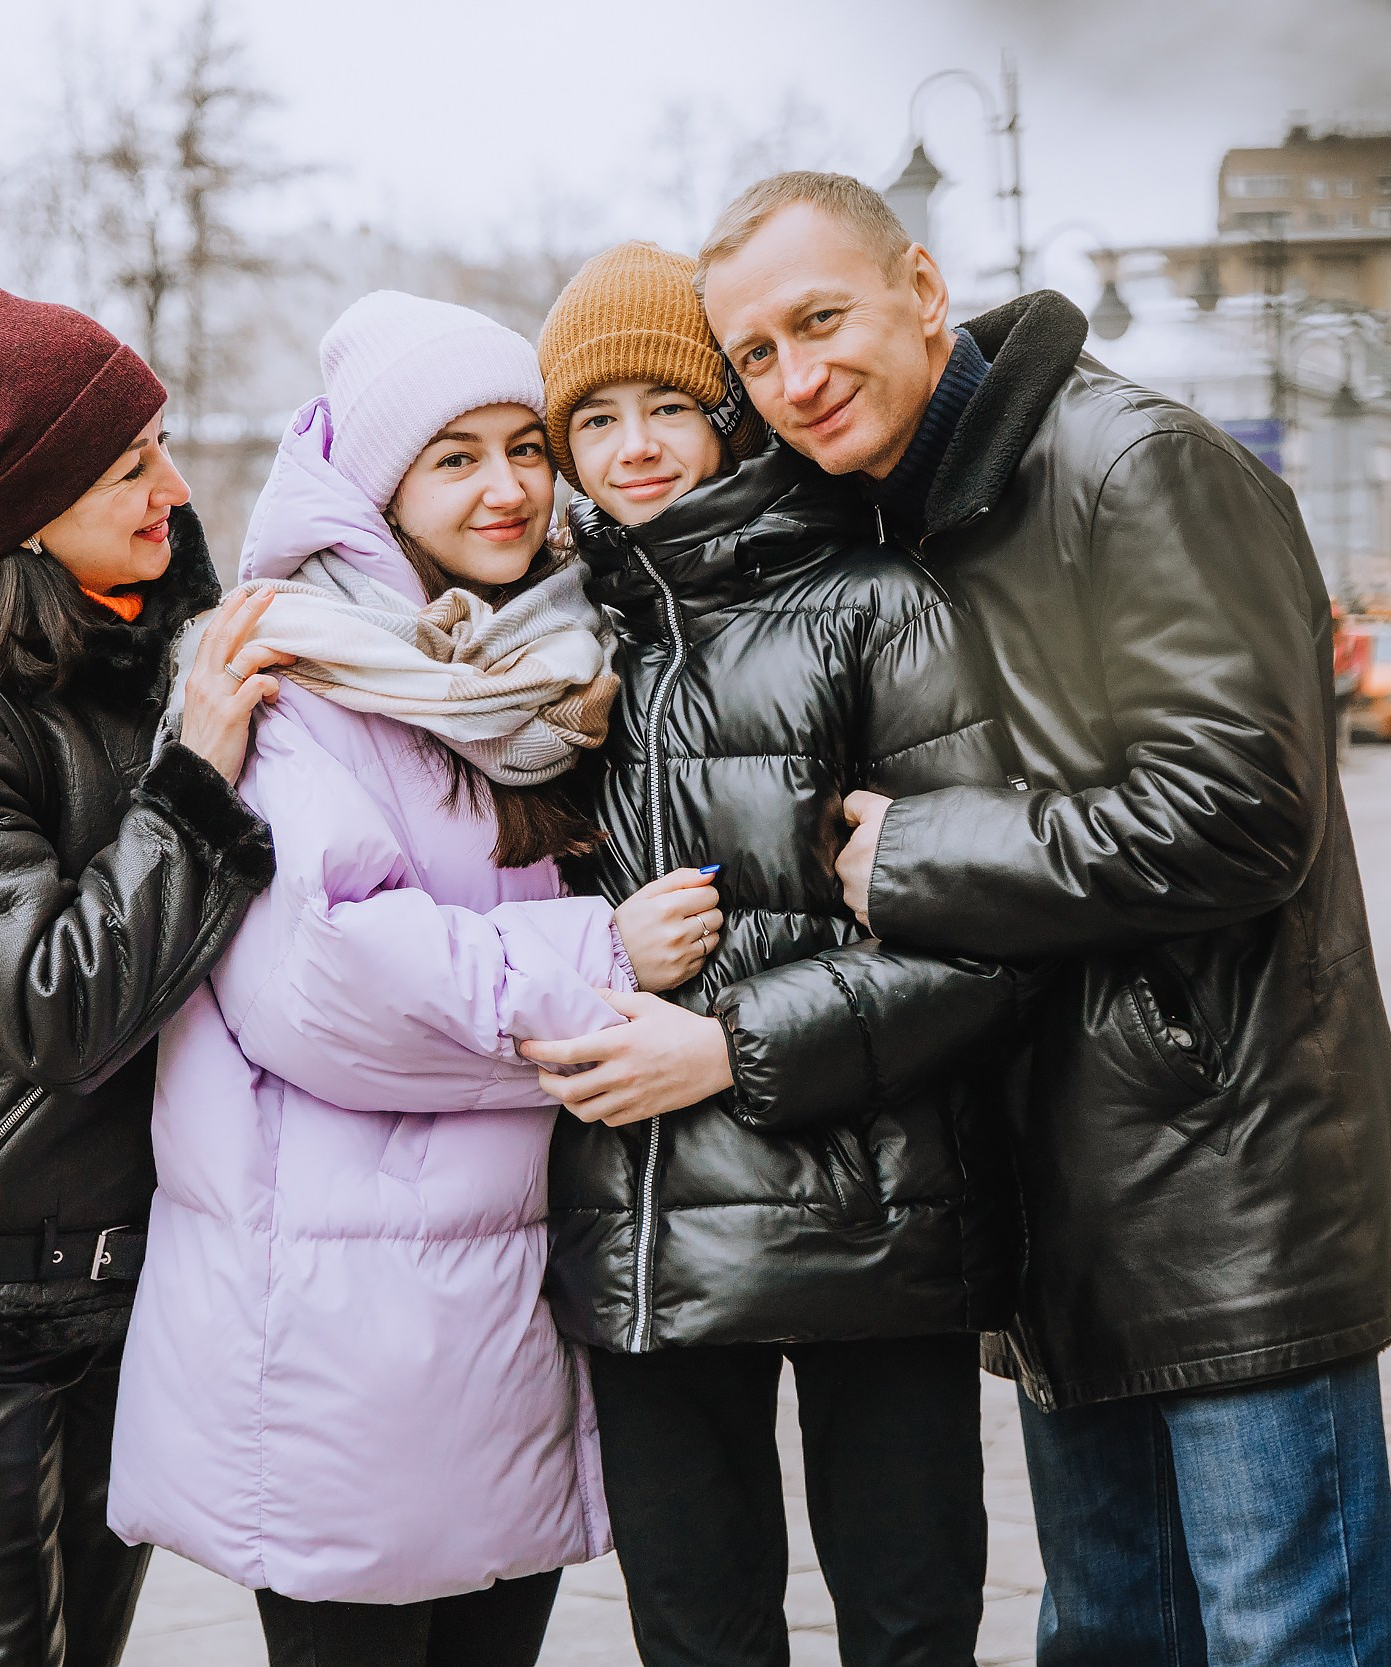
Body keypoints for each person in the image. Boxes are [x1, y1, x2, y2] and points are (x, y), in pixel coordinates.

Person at [700, 172, 1391, 1664]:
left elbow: (1241, 810)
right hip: (1049, 1193)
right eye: (755, 353)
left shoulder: (1133, 465)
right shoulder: (891, 519)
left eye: (819, 320)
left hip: (1222, 1184)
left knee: (1281, 1634)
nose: (794, 376)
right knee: (1108, 1635)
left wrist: (918, 854)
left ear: (922, 287)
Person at [111, 292, 675, 1667]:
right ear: (379, 487)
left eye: (525, 447)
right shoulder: (295, 672)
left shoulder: (544, 669)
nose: (507, 486)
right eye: (455, 457)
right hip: (339, 1326)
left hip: (502, 1302)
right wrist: (606, 958)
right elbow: (331, 980)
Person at [516, 241, 1023, 1667]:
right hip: (644, 1233)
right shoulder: (557, 647)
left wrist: (729, 1047)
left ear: (730, 415)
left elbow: (988, 937)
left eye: (667, 407)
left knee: (910, 1626)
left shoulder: (879, 604)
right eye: (595, 419)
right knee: (697, 1635)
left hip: (873, 1212)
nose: (632, 447)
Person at [0, 281, 279, 1667]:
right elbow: (56, 1004)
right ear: (26, 510)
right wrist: (197, 782)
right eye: (130, 465)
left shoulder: (143, 657)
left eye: (161, 447)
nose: (173, 489)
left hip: (122, 1273)